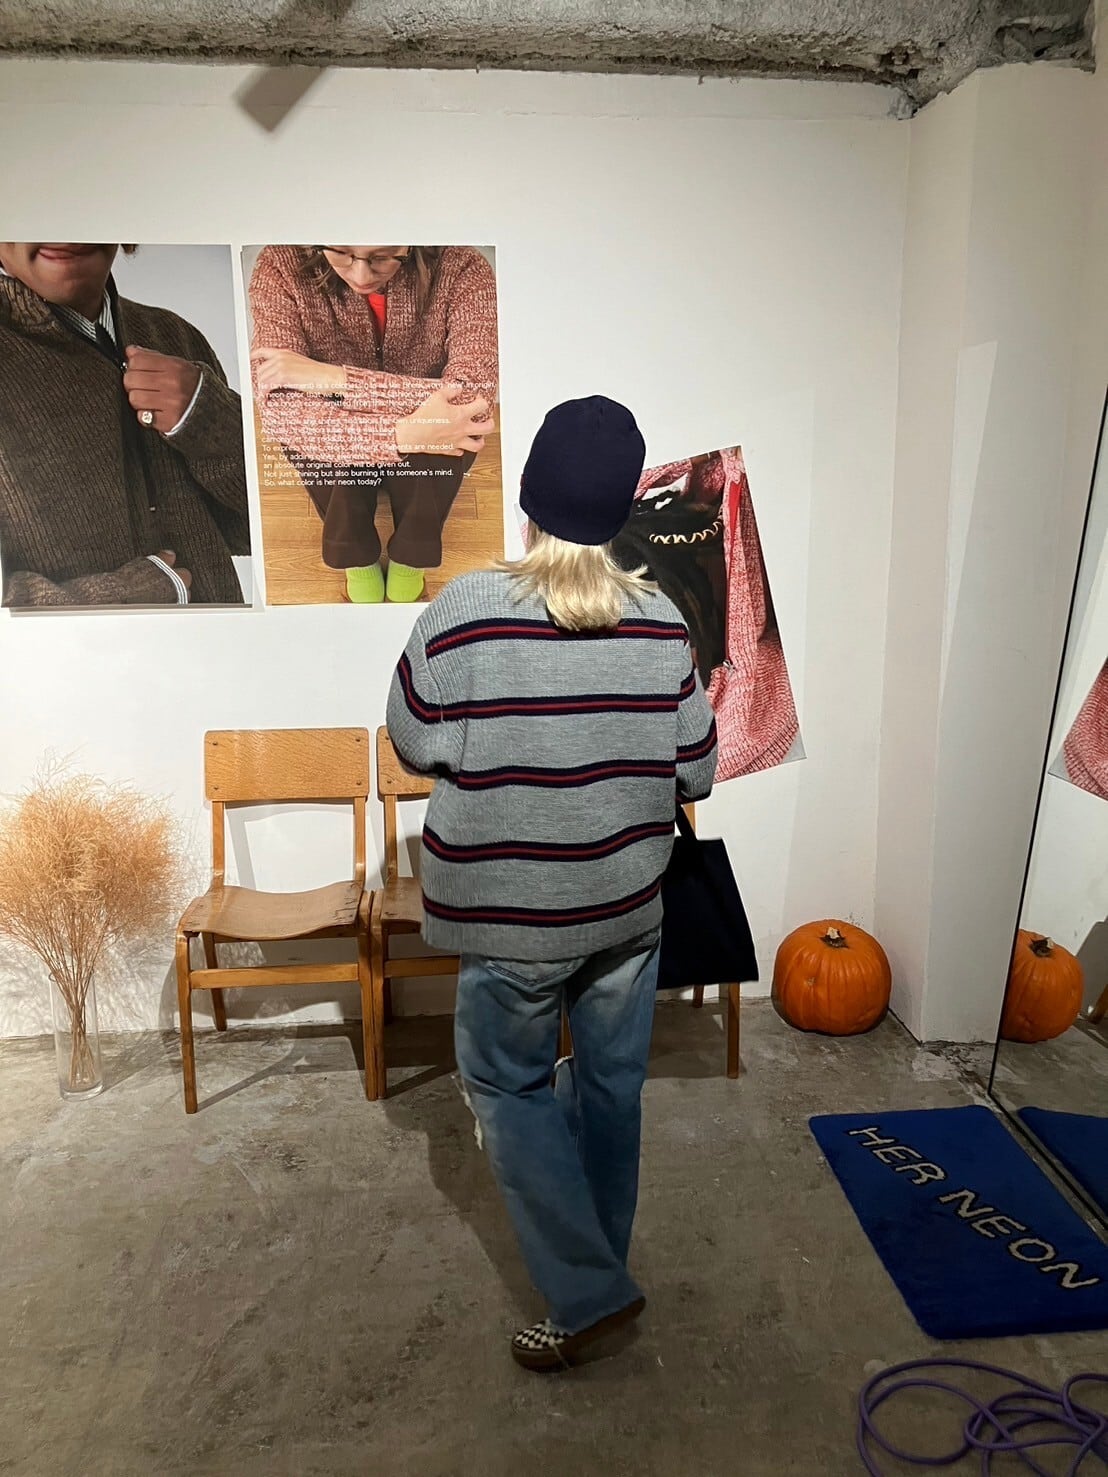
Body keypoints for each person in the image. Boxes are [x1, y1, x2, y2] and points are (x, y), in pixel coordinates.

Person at [387, 397, 718, 1371]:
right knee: (612, 1090)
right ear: (620, 511)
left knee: (507, 1085)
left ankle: (587, 1292)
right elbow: (697, 768)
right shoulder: (660, 621)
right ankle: (596, 1280)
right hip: (626, 910)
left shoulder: (462, 612)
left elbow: (412, 741)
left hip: (512, 918)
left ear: (528, 501)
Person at [0, 242, 251, 607]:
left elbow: (256, 531)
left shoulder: (174, 334)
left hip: (230, 641)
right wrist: (122, 597)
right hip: (92, 647)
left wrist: (212, 419)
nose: (64, 233)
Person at [249, 244, 498, 604]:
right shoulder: (280, 264)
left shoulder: (463, 266)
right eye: (341, 252)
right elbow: (280, 411)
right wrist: (402, 435)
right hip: (382, 415)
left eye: (383, 256)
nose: (361, 274)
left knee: (451, 435)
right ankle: (358, 561)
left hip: (428, 422)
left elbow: (473, 398)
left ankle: (410, 561)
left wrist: (334, 379)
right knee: (326, 441)